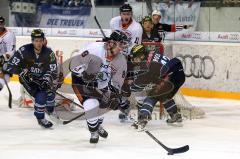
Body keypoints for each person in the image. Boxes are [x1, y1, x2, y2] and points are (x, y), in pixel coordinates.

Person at [69, 30, 128, 144]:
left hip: (102, 84)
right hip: (82, 82)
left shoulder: (121, 60)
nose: (122, 48)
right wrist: (83, 73)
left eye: (124, 45)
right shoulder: (94, 49)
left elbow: (117, 83)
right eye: (121, 44)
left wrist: (115, 98)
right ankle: (93, 131)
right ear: (111, 43)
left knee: (104, 106)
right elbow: (73, 65)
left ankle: (98, 125)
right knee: (91, 107)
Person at [4, 29, 58, 128]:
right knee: (41, 96)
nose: (38, 43)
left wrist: (46, 79)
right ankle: (41, 119)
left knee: (50, 94)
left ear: (43, 40)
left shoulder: (49, 53)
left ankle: (50, 109)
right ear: (32, 41)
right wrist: (21, 72)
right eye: (36, 41)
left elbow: (53, 71)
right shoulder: (23, 51)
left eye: (40, 40)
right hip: (28, 81)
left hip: (42, 79)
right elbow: (10, 66)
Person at [129, 44, 185, 129]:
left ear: (142, 55)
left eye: (135, 57)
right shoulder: (153, 53)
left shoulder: (146, 65)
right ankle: (176, 116)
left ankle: (142, 120)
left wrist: (130, 87)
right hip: (179, 75)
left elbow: (139, 85)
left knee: (152, 96)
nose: (134, 60)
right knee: (163, 95)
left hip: (170, 76)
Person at [110, 4, 143, 122]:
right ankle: (124, 104)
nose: (126, 16)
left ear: (131, 14)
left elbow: (135, 48)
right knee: (116, 82)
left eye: (128, 14)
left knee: (130, 83)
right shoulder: (114, 22)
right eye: (124, 14)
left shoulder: (137, 27)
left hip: (130, 57)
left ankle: (138, 108)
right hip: (117, 55)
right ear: (120, 14)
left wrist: (122, 49)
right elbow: (113, 40)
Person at [0, 16, 16, 91]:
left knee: (2, 84)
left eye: (1, 23)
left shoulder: (10, 34)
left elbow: (12, 51)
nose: (0, 25)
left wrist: (3, 57)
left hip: (5, 63)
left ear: (4, 24)